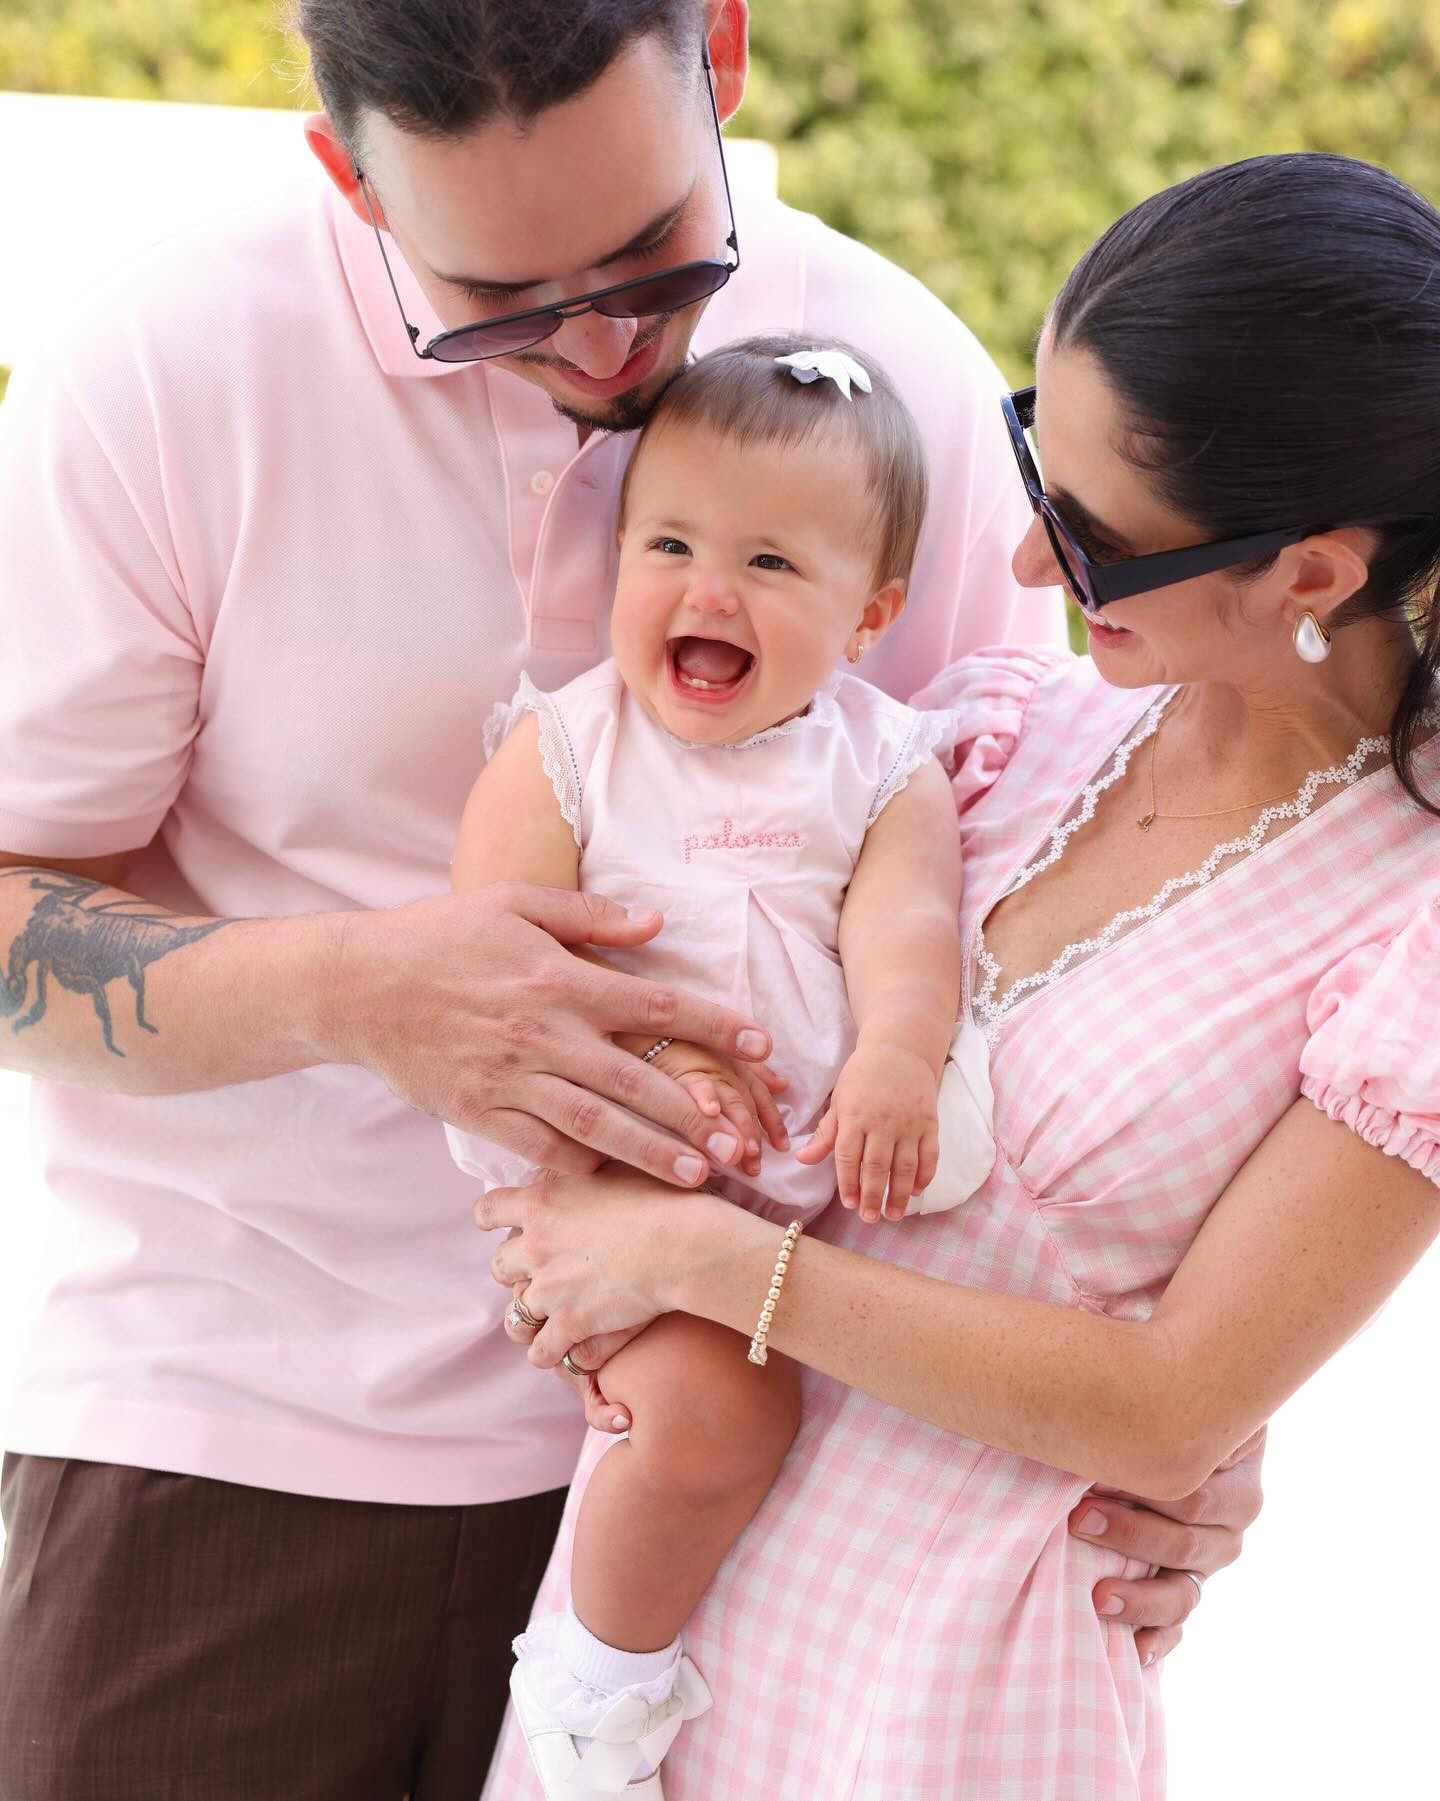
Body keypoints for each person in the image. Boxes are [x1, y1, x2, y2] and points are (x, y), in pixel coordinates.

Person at [0, 3, 1261, 1795]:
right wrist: (354, 991)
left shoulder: (891, 370)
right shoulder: (156, 377)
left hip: (812, 1460)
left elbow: (1070, 929)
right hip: (236, 1438)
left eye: (659, 256)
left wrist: (1197, 1400)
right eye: (502, 302)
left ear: (724, 54)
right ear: (346, 174)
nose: (603, 345)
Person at [478, 150, 1440, 1800]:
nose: (1021, 568)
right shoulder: (999, 740)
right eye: (1029, 461)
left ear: (1315, 572)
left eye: (1090, 535)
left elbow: (1164, 1407)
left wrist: (704, 1258)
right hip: (661, 1649)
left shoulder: (1408, 934)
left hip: (944, 1707)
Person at [448, 333, 1003, 1797]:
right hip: (603, 1173)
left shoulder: (881, 769)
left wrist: (897, 1051)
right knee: (721, 1418)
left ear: (871, 615)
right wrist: (643, 1054)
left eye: (771, 565)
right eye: (671, 543)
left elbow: (907, 932)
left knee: (864, 1397)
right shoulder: (569, 751)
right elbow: (490, 973)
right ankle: (595, 1689)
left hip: (792, 1206)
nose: (707, 590)